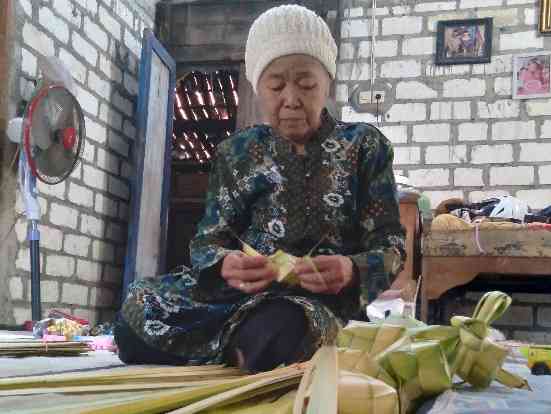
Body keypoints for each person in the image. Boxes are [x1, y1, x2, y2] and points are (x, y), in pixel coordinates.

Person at [114, 4, 406, 373]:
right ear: (258, 87)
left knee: (279, 332)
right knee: (135, 314)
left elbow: (391, 244)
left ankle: (247, 350)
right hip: (233, 297)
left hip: (311, 303)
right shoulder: (236, 152)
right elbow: (208, 240)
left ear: (327, 82)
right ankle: (239, 351)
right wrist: (226, 265)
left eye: (306, 83)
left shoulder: (364, 146)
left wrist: (352, 268)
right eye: (275, 84)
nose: (291, 98)